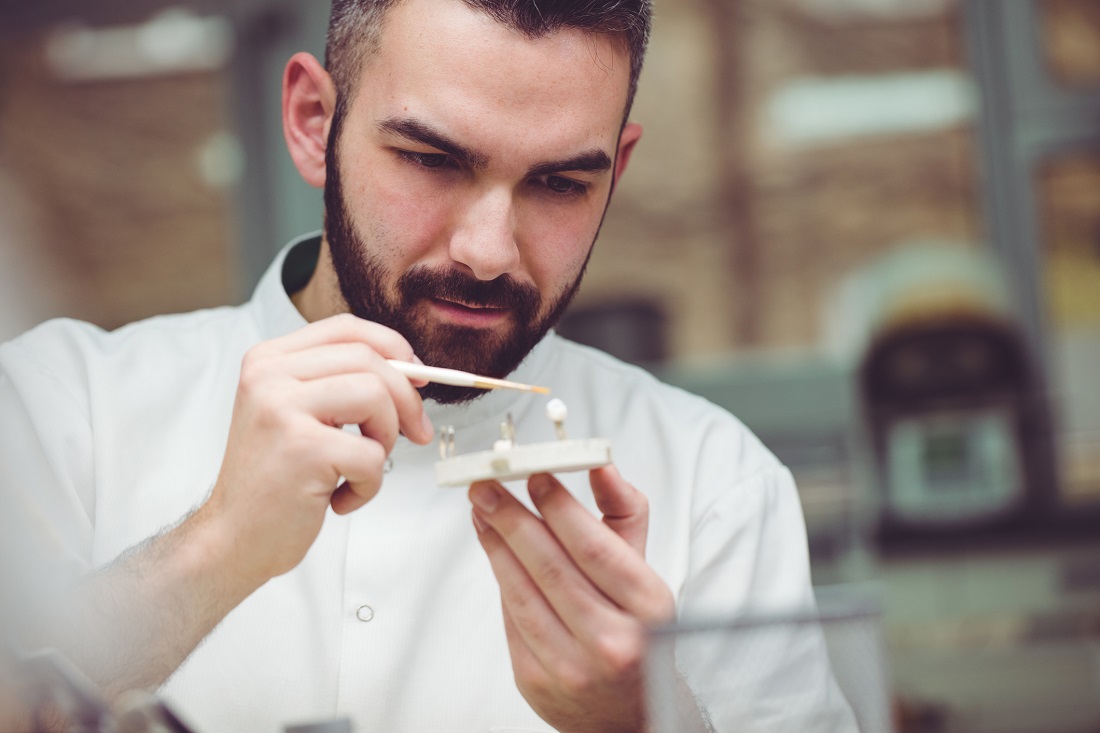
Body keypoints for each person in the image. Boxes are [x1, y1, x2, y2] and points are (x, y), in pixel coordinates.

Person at [0, 0, 855, 730]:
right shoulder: (57, 409)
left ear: (615, 171)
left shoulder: (716, 486)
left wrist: (650, 717)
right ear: (311, 122)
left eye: (560, 183)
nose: (488, 252)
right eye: (432, 159)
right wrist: (212, 548)